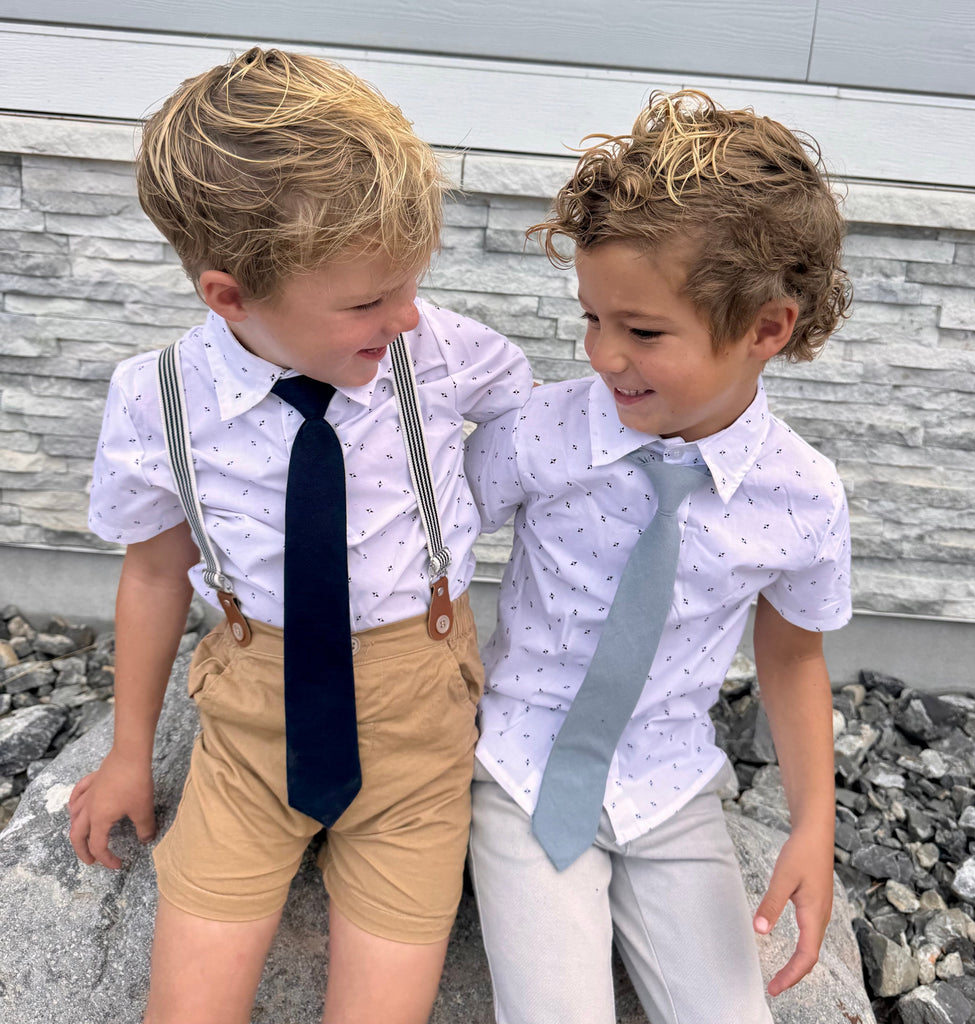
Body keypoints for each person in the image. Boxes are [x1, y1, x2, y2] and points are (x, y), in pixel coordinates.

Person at [68, 47, 531, 1024]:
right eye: (367, 301)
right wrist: (128, 752)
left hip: (418, 727)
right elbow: (154, 573)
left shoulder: (438, 352)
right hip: (250, 734)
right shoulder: (157, 399)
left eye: (412, 283)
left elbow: (549, 439)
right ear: (228, 295)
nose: (403, 315)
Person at [465, 89, 853, 1024]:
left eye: (641, 331)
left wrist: (814, 827)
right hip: (523, 771)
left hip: (671, 788)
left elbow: (793, 657)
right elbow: (417, 550)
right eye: (593, 317)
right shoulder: (538, 433)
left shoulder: (803, 497)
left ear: (768, 328)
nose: (603, 354)